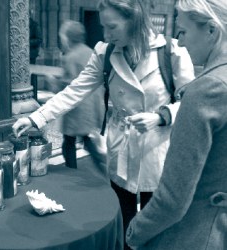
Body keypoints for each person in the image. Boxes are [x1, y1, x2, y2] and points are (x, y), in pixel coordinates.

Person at [13, 0, 194, 248]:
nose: (106, 35)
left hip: (158, 148)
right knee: (123, 214)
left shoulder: (171, 53)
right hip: (121, 146)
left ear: (135, 20)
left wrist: (161, 116)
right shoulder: (106, 53)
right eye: (103, 27)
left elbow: (192, 103)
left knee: (156, 222)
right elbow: (74, 90)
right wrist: (36, 117)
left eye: (112, 27)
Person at [125, 0, 227, 249]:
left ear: (211, 31)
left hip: (192, 233)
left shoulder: (207, 89)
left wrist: (134, 231)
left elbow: (173, 200)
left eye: (182, 32)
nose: (180, 42)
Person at [45, 20, 106, 170]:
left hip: (77, 108)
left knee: (69, 140)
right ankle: (101, 161)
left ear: (67, 38)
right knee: (85, 137)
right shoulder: (90, 51)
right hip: (92, 103)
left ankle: (72, 169)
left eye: (62, 36)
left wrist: (53, 82)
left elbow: (69, 86)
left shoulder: (70, 57)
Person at [29, 11, 42, 99]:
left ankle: (34, 96)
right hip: (22, 55)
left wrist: (26, 42)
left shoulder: (35, 25)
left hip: (31, 54)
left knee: (32, 76)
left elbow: (39, 39)